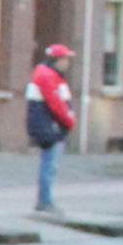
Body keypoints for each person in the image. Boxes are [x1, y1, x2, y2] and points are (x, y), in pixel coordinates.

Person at [26, 41, 77, 214]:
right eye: (66, 59)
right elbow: (56, 104)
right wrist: (70, 120)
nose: (68, 63)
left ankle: (45, 199)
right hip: (50, 127)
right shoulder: (48, 76)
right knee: (49, 165)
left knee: (49, 164)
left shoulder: (50, 74)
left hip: (50, 126)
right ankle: (44, 200)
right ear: (58, 60)